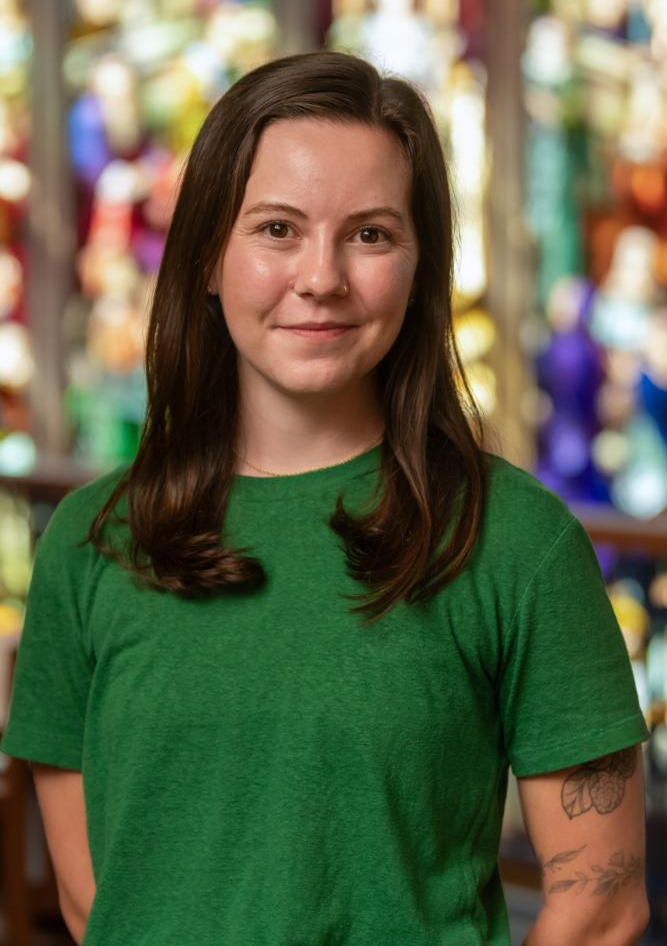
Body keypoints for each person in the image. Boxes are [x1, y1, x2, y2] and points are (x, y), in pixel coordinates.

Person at [0, 50, 650, 946]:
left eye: (370, 234)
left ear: (420, 268)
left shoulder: (518, 543)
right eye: (275, 229)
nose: (321, 277)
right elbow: (98, 903)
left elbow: (602, 909)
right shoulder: (90, 541)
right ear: (206, 259)